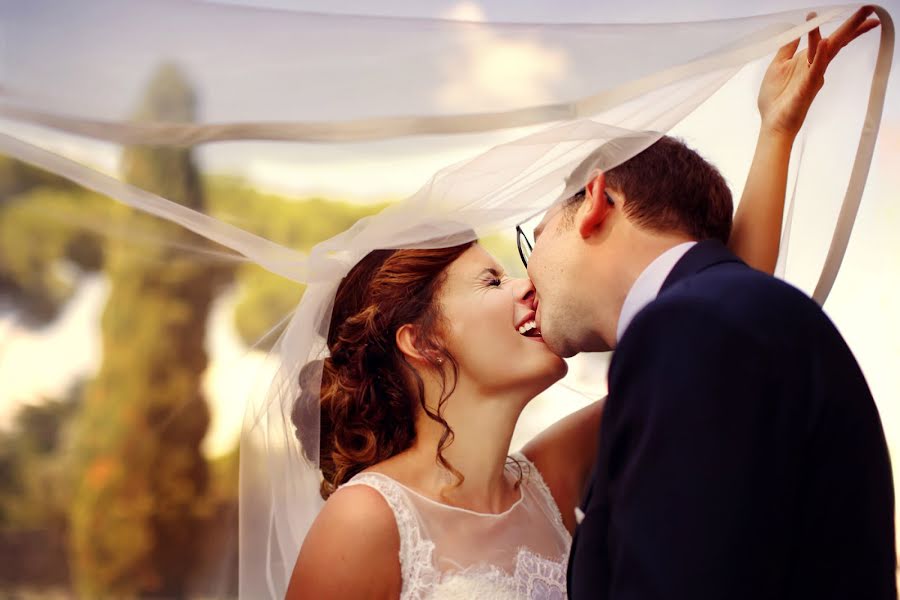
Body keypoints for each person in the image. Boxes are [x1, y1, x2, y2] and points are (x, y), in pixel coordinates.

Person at [285, 10, 881, 599]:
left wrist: (775, 132)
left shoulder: (550, 478)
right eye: (492, 281)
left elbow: (718, 305)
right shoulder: (365, 520)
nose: (527, 284)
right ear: (421, 339)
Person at [522, 8, 894, 600]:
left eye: (532, 239)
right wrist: (775, 131)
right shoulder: (718, 317)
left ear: (593, 201)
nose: (526, 279)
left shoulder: (691, 328)